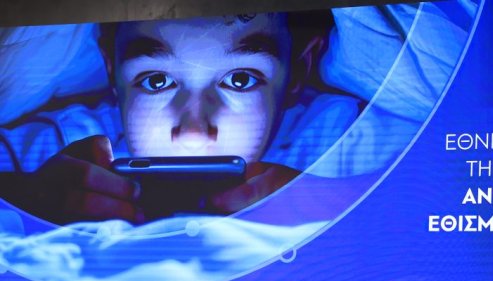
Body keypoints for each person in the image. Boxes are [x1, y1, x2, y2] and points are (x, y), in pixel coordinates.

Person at [0, 11, 358, 224]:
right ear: (112, 72)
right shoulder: (64, 146)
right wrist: (27, 199)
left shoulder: (339, 139)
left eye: (240, 80)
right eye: (156, 81)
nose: (193, 132)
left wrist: (337, 205)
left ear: (297, 72)